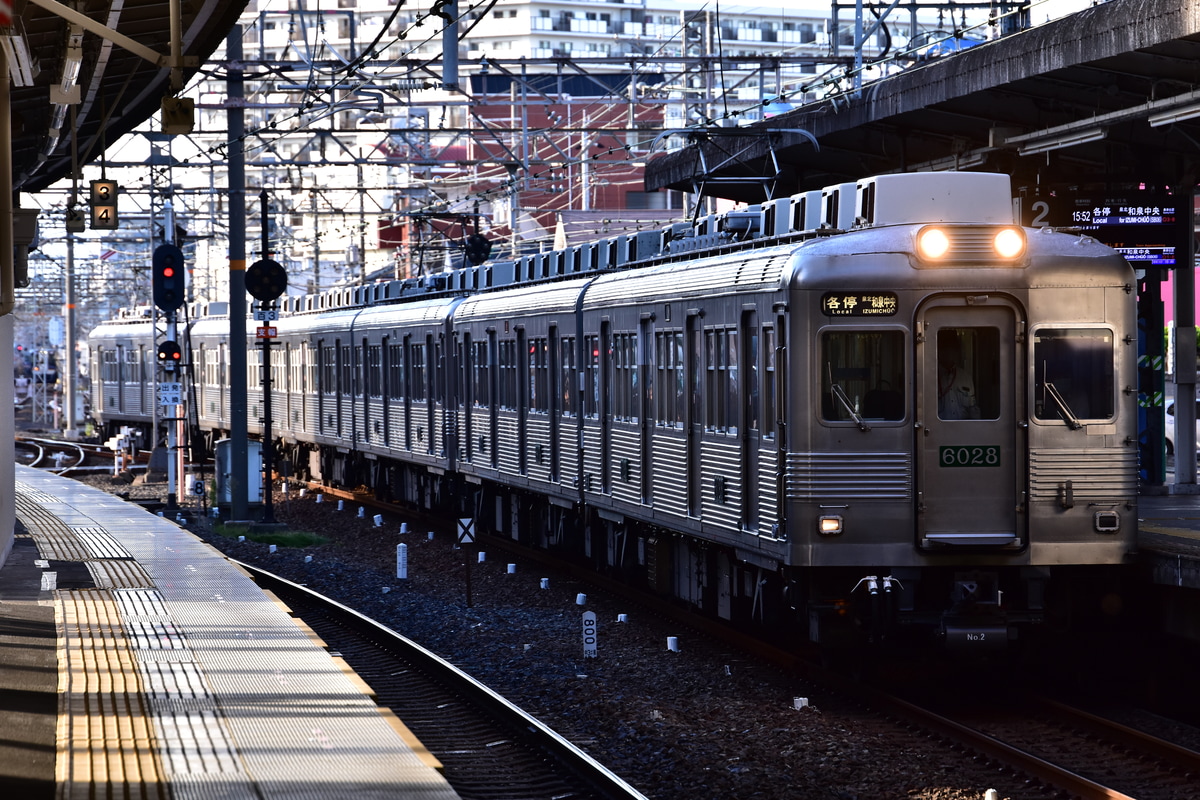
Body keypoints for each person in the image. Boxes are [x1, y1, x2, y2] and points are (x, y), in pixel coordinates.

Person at [938, 331, 979, 420]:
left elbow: (973, 410)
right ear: (938, 350)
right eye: (945, 348)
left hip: (963, 431)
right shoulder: (930, 377)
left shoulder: (966, 377)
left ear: (957, 351)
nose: (949, 352)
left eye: (953, 348)